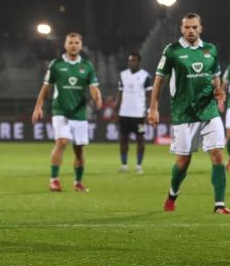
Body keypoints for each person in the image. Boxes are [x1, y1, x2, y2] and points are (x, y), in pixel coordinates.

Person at [148, 13, 230, 214]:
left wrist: (218, 91)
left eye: (194, 27)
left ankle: (219, 205)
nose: (191, 31)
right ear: (181, 28)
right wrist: (153, 107)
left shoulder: (210, 50)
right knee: (183, 161)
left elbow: (215, 79)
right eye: (187, 27)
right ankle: (172, 195)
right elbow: (159, 80)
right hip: (184, 114)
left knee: (217, 154)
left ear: (200, 28)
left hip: (209, 111)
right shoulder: (172, 51)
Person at [31, 32, 102, 192]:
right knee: (62, 141)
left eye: (77, 42)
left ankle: (78, 182)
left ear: (81, 45)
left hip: (79, 111)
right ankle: (54, 180)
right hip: (60, 109)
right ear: (65, 45)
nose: (74, 45)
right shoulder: (56, 64)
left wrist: (97, 97)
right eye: (71, 42)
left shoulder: (87, 66)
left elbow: (93, 87)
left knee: (79, 149)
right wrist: (38, 106)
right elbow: (46, 86)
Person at [115, 52, 152, 174]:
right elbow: (120, 93)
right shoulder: (123, 75)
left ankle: (138, 165)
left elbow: (149, 95)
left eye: (135, 60)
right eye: (130, 60)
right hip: (124, 113)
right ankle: (124, 164)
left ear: (139, 62)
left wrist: (149, 111)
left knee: (140, 139)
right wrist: (116, 109)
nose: (132, 62)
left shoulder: (145, 76)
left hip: (139, 114)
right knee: (123, 139)